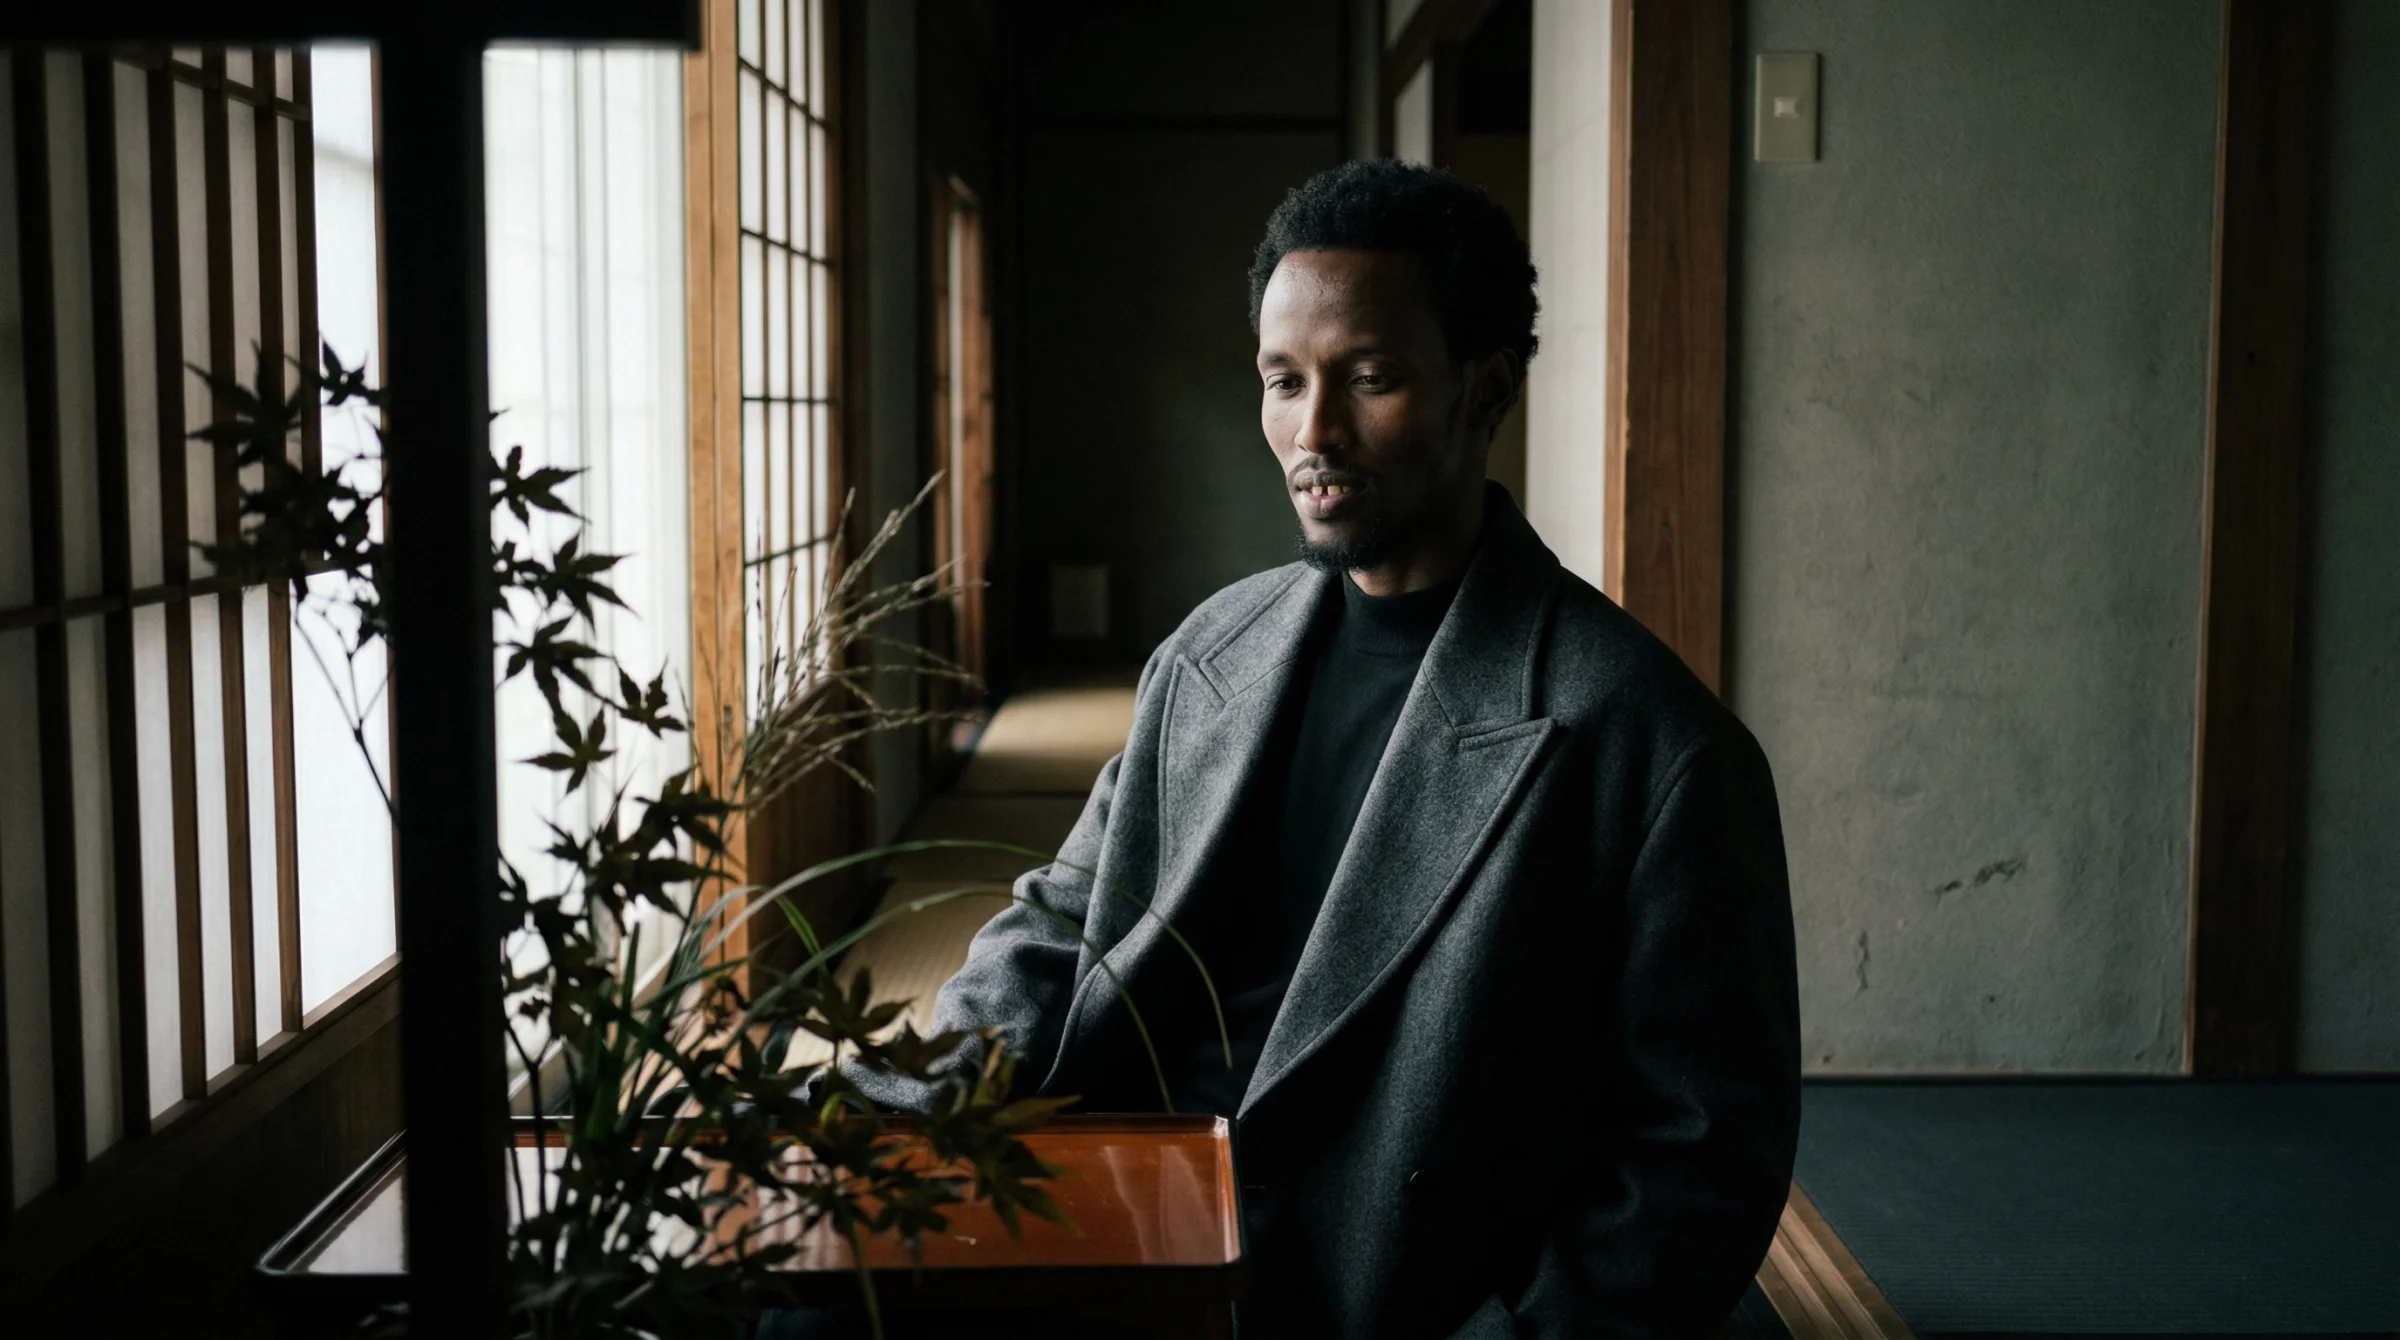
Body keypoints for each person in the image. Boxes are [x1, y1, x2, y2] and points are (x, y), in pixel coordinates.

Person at [852, 160, 1799, 1339]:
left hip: (1376, 1270)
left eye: (1370, 376)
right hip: (1129, 1193)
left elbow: (1696, 1160)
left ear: (1485, 388)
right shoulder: (1213, 649)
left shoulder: (1649, 745)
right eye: (1282, 381)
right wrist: (885, 1110)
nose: (1315, 430)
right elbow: (1062, 919)